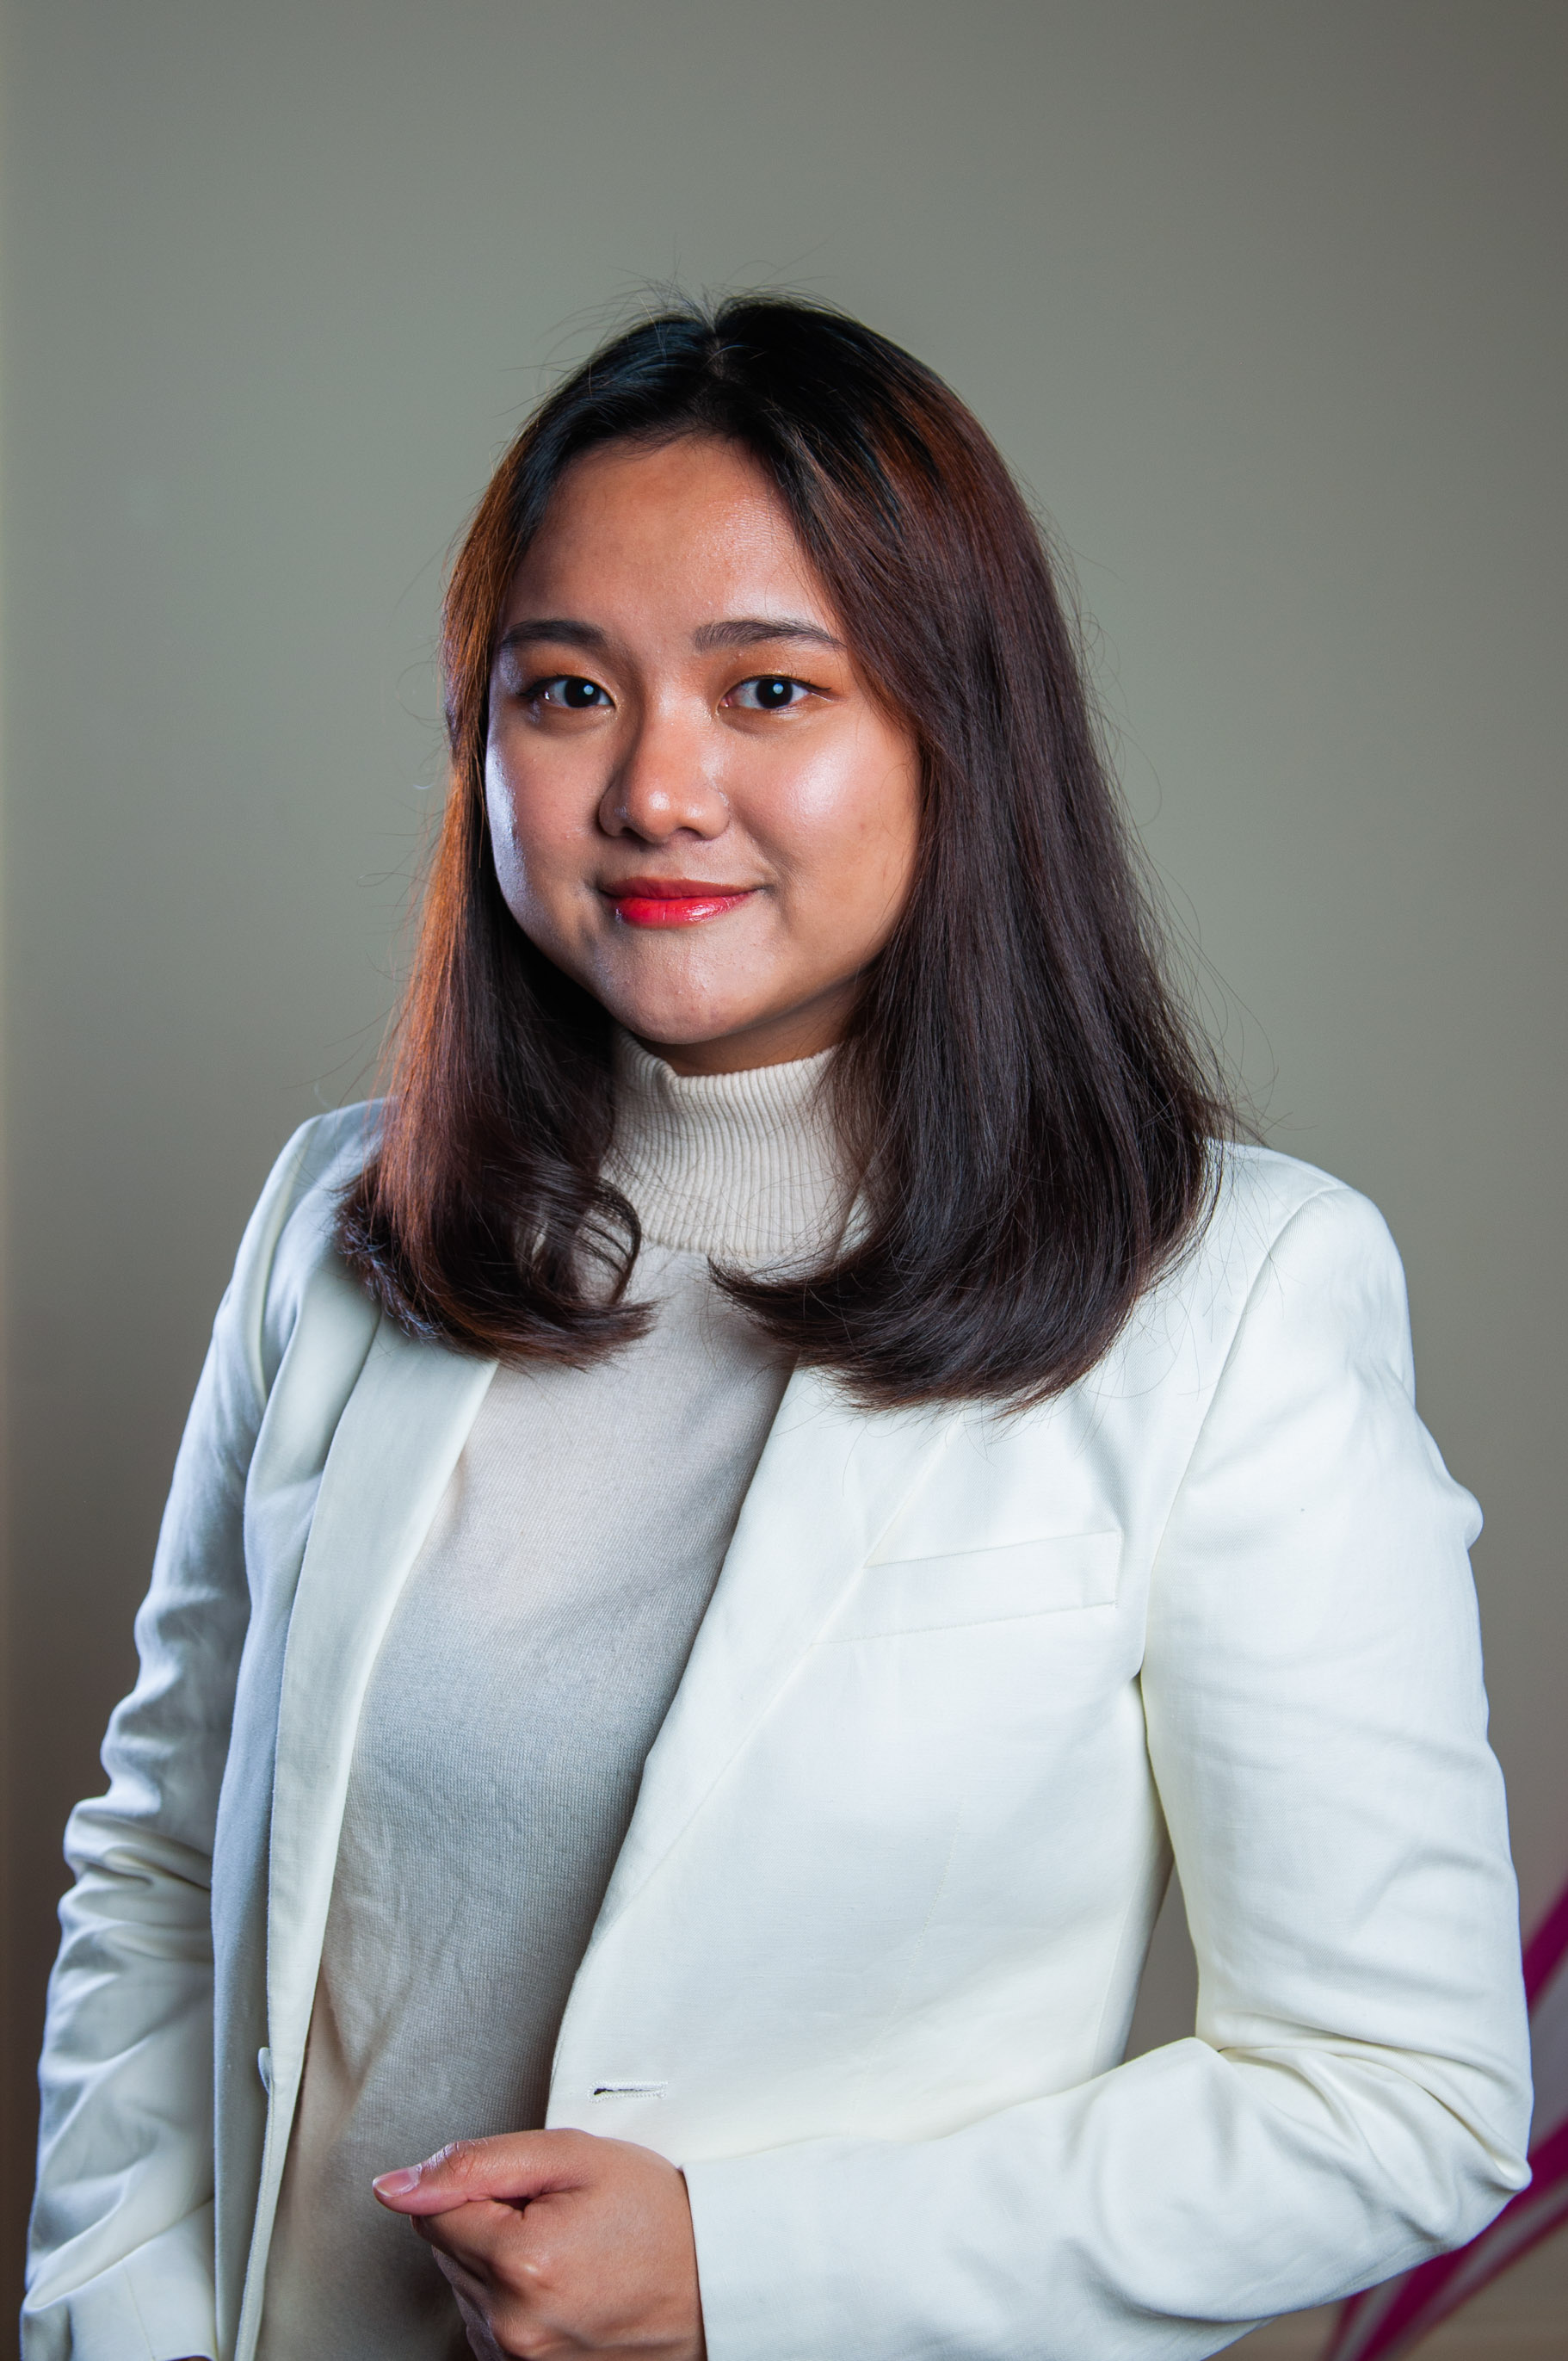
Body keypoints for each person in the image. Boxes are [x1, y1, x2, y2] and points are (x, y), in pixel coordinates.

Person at [25, 298, 1530, 2361]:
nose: (658, 788)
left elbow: (1395, 2095)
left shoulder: (1235, 1291)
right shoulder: (336, 1218)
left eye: (768, 688)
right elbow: (164, 1869)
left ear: (952, 733)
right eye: (569, 690)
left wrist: (741, 2269)